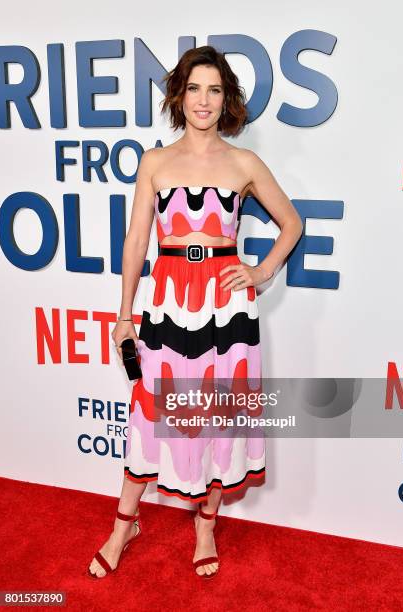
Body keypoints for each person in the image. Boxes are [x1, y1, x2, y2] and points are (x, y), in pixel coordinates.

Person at [88, 45, 303, 580]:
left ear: (225, 98)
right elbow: (137, 240)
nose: (203, 100)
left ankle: (206, 523)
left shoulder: (244, 162)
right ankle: (123, 525)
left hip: (226, 308)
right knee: (151, 411)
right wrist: (123, 315)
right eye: (194, 89)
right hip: (167, 304)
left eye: (214, 89)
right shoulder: (155, 162)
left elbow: (292, 225)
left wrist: (260, 271)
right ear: (179, 96)